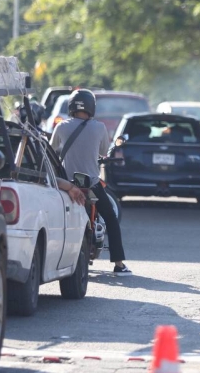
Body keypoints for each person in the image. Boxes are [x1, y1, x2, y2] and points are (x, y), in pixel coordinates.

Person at [50, 89, 132, 276]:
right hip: (92, 186)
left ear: (71, 106)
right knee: (111, 218)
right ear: (91, 107)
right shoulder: (100, 127)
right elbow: (104, 151)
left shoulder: (61, 127)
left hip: (67, 186)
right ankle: (119, 264)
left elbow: (51, 150)